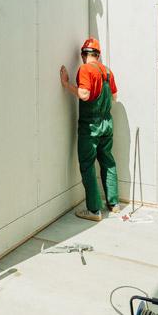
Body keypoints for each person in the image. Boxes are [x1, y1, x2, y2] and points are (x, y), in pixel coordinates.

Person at [60, 37, 119, 221]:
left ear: (83, 55)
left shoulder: (85, 69)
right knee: (108, 162)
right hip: (107, 124)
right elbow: (114, 97)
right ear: (98, 55)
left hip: (91, 126)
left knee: (87, 165)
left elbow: (84, 95)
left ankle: (94, 210)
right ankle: (114, 203)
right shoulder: (107, 71)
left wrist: (66, 84)